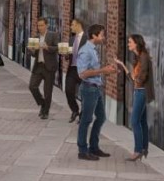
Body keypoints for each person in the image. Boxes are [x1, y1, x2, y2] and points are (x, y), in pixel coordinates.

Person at [76, 23, 117, 160]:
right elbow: (82, 74)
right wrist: (102, 70)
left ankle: (94, 147)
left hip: (96, 88)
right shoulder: (85, 51)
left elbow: (94, 69)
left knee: (101, 117)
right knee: (86, 120)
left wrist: (106, 70)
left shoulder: (94, 49)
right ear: (94, 35)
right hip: (89, 89)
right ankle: (83, 150)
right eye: (102, 35)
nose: (104, 37)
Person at [116, 34, 155, 161]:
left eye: (130, 42)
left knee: (134, 121)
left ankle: (138, 150)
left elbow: (141, 77)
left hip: (142, 92)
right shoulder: (138, 57)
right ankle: (144, 148)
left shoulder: (144, 57)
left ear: (136, 43)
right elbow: (133, 79)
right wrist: (123, 65)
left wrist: (135, 78)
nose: (128, 44)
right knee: (141, 121)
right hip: (138, 91)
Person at [26, 17, 58, 119]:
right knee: (32, 86)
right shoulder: (36, 37)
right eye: (38, 25)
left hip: (49, 67)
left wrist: (47, 47)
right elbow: (33, 54)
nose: (40, 27)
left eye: (42, 25)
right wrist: (31, 50)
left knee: (47, 91)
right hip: (38, 66)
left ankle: (45, 112)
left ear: (47, 25)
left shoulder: (53, 35)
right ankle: (42, 103)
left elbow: (57, 48)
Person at [65, 18, 88, 123]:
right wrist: (66, 54)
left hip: (83, 70)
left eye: (72, 25)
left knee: (84, 94)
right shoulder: (71, 39)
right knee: (68, 91)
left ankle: (83, 115)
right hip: (72, 69)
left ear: (78, 25)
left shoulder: (87, 39)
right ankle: (75, 110)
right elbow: (68, 56)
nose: (71, 27)